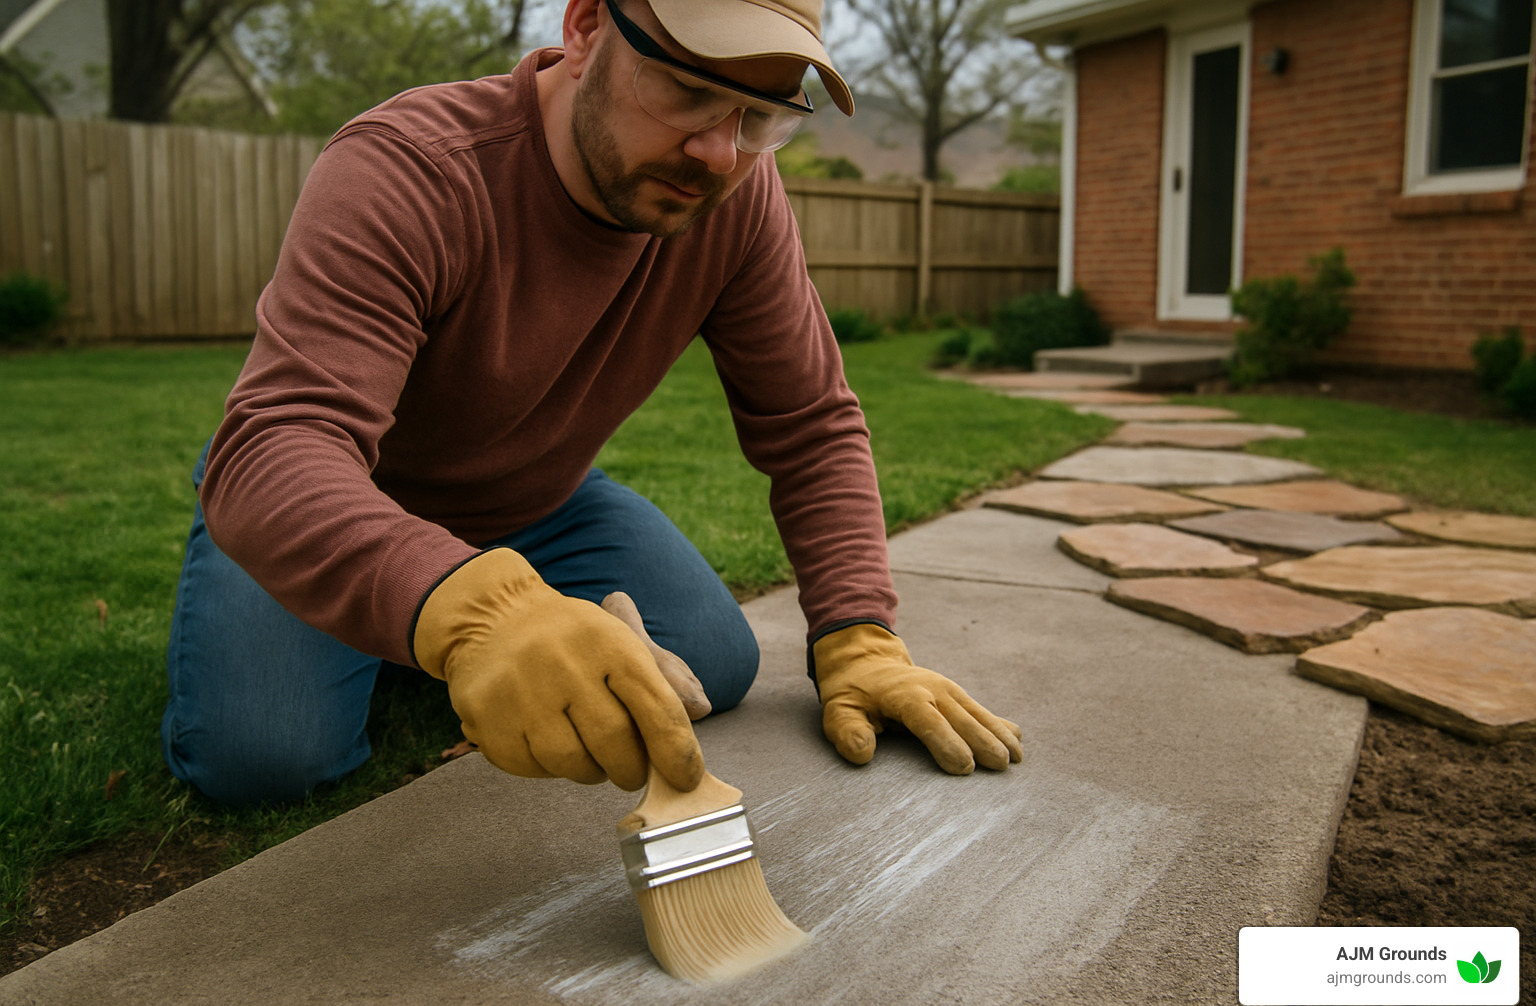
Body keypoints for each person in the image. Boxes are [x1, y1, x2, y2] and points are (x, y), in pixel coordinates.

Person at [162, 0, 1023, 808]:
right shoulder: (411, 169)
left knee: (711, 666)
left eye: (760, 116)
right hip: (337, 487)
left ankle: (426, 621)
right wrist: (479, 613)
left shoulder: (739, 197)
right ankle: (419, 614)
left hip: (537, 497)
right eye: (689, 90)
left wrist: (858, 634)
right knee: (267, 758)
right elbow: (283, 440)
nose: (721, 153)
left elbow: (811, 423)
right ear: (584, 27)